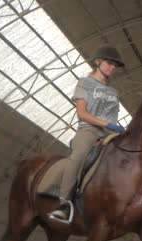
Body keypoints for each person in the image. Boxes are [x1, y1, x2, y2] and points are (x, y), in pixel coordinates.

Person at [48, 46, 126, 222]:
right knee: (80, 154)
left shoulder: (114, 92)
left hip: (110, 133)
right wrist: (107, 124)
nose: (112, 68)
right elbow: (82, 113)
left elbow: (111, 115)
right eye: (108, 63)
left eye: (115, 65)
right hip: (89, 129)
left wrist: (117, 128)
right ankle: (64, 203)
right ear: (98, 62)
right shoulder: (85, 83)